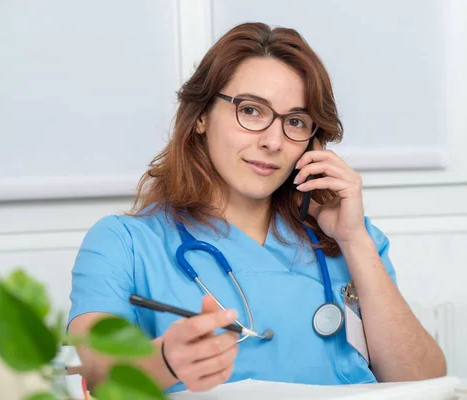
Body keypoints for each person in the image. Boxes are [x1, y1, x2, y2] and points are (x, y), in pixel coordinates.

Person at [67, 22, 447, 394]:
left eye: (296, 122)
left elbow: (424, 383)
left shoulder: (348, 237)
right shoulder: (126, 242)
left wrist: (354, 240)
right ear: (200, 115)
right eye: (251, 111)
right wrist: (166, 360)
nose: (273, 141)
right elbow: (95, 372)